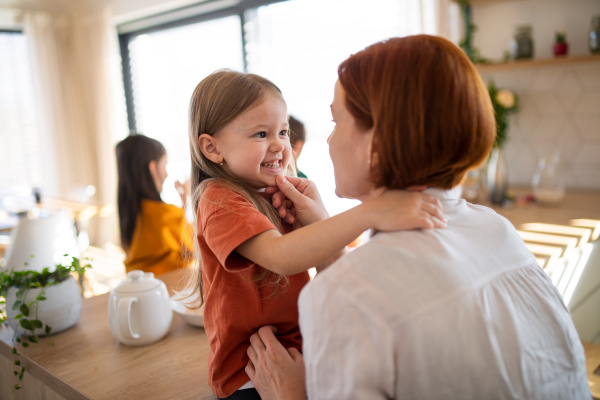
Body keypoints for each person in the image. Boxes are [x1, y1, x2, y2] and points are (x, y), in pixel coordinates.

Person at [245, 35, 591, 400]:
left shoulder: (339, 297)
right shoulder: (496, 229)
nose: (329, 142)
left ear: (374, 145)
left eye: (336, 122)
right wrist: (330, 252)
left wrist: (292, 396)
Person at [185, 69, 447, 400]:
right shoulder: (218, 198)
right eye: (261, 134)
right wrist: (370, 211)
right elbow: (280, 256)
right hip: (248, 373)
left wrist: (318, 217)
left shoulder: (272, 194)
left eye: (282, 131)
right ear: (212, 148)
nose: (280, 144)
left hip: (299, 352)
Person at [116, 134, 193, 276]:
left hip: (139, 282)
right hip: (171, 284)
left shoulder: (130, 213)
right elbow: (192, 248)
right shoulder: (165, 213)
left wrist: (183, 203)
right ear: (153, 168)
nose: (166, 174)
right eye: (164, 165)